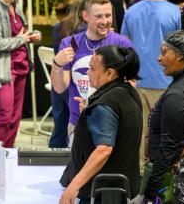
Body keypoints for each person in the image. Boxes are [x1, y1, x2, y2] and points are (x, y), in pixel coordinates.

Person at [59, 45, 142, 204]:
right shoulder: (127, 91)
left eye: (92, 68)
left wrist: (73, 187)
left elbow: (103, 150)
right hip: (121, 188)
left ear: (109, 73)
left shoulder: (105, 105)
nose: (88, 72)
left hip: (102, 193)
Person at [51, 0, 132, 147]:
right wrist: (57, 64)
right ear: (86, 16)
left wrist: (96, 103)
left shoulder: (122, 44)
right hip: (78, 123)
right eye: (99, 16)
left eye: (108, 15)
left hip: (112, 123)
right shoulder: (71, 43)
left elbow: (131, 85)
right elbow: (60, 87)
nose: (105, 21)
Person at [141, 30, 184, 204]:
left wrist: (150, 191)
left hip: (183, 170)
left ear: (180, 56)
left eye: (164, 52)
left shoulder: (179, 95)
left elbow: (169, 145)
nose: (159, 59)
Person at [121, 0, 181, 171]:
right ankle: (161, 178)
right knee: (165, 135)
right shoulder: (175, 12)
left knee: (138, 133)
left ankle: (139, 175)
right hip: (166, 81)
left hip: (135, 81)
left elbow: (125, 46)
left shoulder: (131, 10)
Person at [0, 0, 41, 148]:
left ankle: (6, 155)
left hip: (20, 68)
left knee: (15, 118)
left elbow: (21, 33)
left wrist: (33, 35)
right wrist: (22, 39)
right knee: (4, 117)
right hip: (2, 72)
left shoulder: (16, 6)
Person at [50, 0, 87, 148]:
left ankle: (53, 159)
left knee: (59, 125)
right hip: (78, 82)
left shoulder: (59, 27)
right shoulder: (85, 32)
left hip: (59, 79)